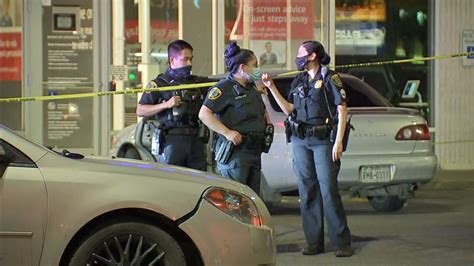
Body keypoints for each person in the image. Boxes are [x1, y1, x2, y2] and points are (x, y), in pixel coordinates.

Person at [261, 40, 353, 257]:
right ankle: (314, 242)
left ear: (312, 56)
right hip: (302, 140)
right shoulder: (300, 79)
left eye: (301, 53)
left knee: (328, 191)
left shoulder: (331, 78)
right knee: (307, 191)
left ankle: (342, 243)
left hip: (323, 141)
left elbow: (342, 109)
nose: (298, 57)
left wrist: (338, 141)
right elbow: (289, 109)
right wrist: (271, 88)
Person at [198, 42, 270, 194]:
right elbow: (204, 114)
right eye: (255, 65)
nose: (258, 69)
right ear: (243, 68)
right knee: (235, 200)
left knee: (253, 200)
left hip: (254, 150)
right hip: (236, 153)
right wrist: (227, 132)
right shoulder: (224, 88)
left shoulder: (252, 88)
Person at [137, 39, 210, 171]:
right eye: (185, 59)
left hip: (196, 139)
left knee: (199, 182)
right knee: (173, 181)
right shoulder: (160, 84)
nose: (189, 64)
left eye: (191, 59)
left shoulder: (197, 82)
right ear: (172, 60)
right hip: (172, 140)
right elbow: (140, 110)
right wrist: (165, 105)